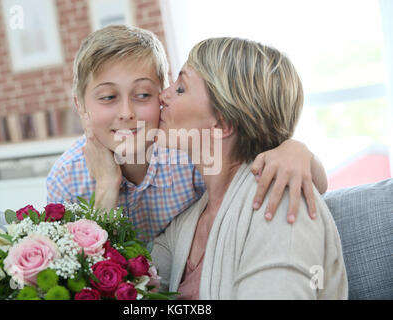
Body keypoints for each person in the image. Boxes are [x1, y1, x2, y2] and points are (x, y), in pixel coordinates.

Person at [46, 25, 328, 243]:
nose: (126, 113)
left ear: (163, 94)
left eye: (143, 94)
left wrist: (294, 148)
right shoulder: (67, 178)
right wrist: (107, 185)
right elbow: (79, 280)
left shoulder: (189, 151)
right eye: (107, 97)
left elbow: (299, 179)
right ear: (80, 106)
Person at [151, 37, 348, 299]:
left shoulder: (280, 201)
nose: (162, 96)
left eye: (181, 88)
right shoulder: (188, 224)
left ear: (221, 124)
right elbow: (132, 291)